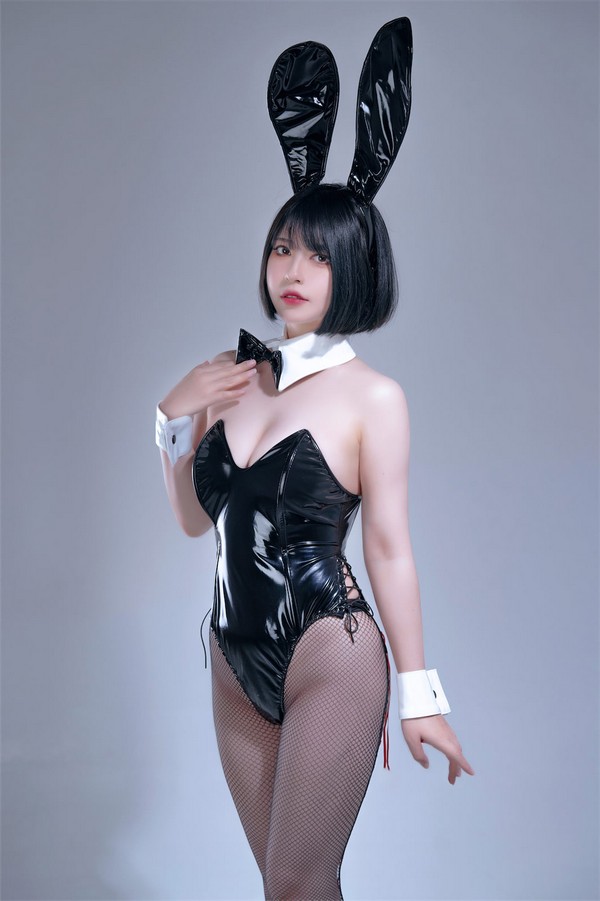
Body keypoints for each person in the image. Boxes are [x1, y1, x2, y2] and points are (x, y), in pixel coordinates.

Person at [156, 20, 474, 901]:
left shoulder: (374, 397)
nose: (293, 268)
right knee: (282, 885)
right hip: (231, 653)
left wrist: (420, 692)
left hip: (329, 649)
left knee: (300, 878)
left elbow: (390, 548)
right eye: (283, 246)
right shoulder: (230, 377)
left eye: (320, 254)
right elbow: (194, 520)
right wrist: (170, 420)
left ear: (356, 265)